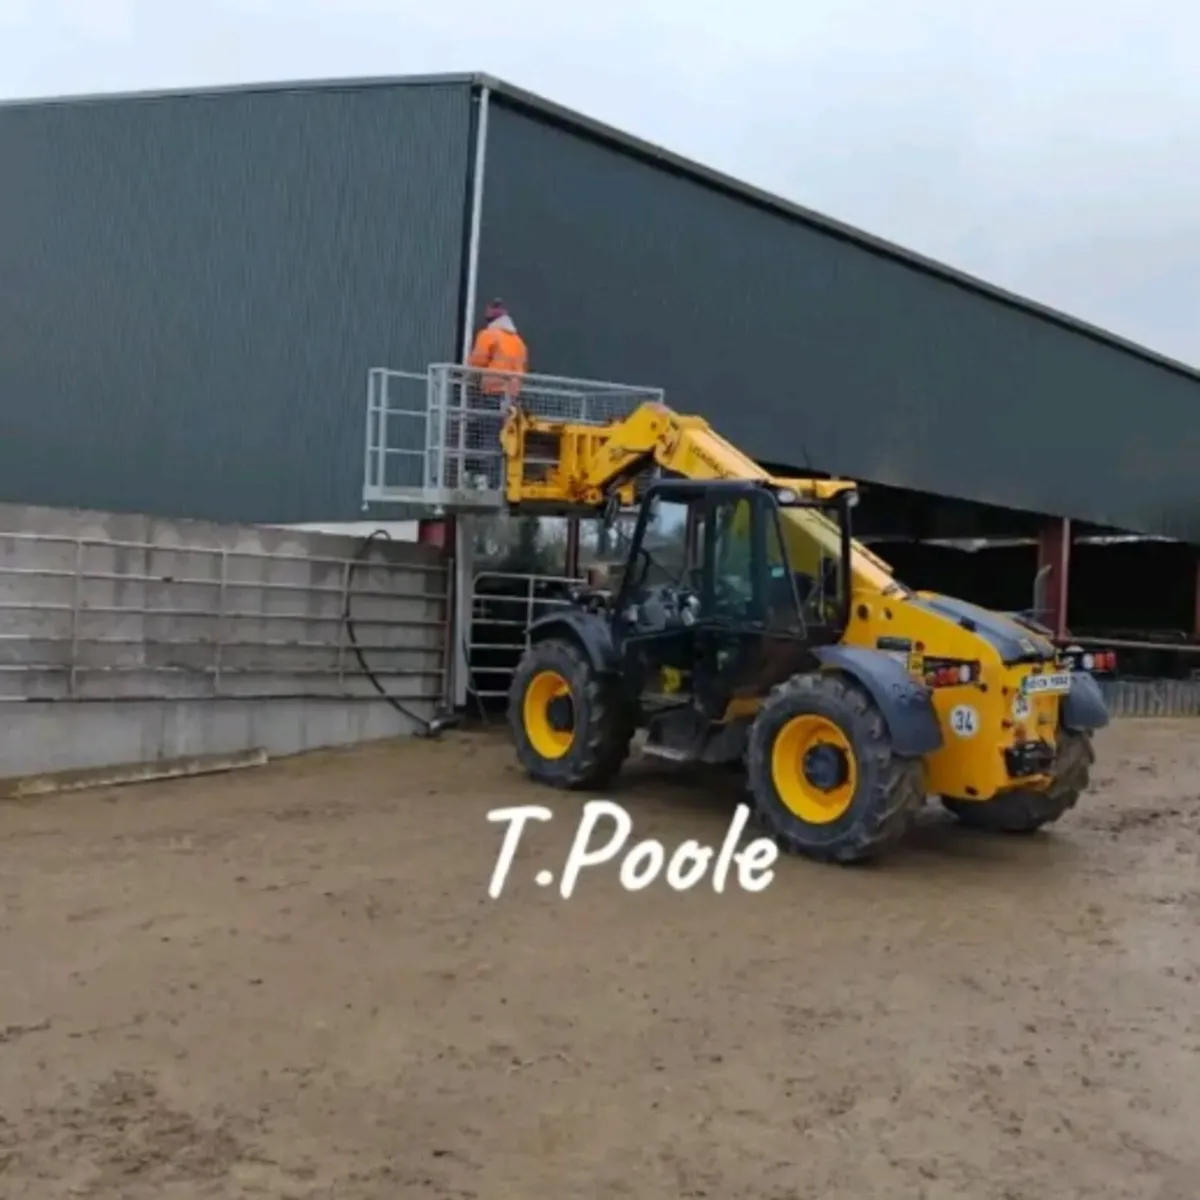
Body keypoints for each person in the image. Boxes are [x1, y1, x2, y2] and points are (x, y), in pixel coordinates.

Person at [463, 299, 529, 488]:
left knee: (483, 435)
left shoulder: (489, 335)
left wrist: (468, 380)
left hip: (491, 394)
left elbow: (476, 363)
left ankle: (479, 478)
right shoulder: (519, 342)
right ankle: (498, 481)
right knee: (504, 439)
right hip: (512, 399)